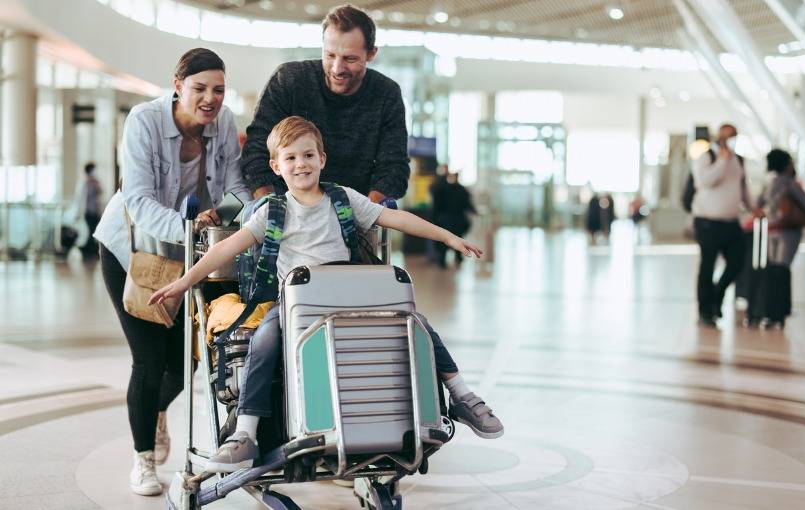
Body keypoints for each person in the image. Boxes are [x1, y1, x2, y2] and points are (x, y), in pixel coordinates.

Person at [149, 116, 504, 473]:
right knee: (265, 339)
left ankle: (461, 395)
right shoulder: (272, 211)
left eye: (308, 156)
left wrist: (447, 237)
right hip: (294, 304)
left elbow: (396, 219)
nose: (300, 164)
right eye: (290, 158)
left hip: (347, 297)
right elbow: (223, 252)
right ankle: (246, 433)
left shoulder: (342, 199)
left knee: (417, 324)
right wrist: (184, 281)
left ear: (322, 158)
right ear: (276, 166)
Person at [93, 48, 252, 496]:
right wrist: (190, 228)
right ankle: (143, 460)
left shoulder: (223, 123)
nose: (210, 99)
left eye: (218, 90)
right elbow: (139, 201)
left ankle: (155, 411)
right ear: (177, 84)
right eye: (200, 88)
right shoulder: (144, 121)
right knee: (148, 359)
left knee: (187, 362)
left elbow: (235, 185)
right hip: (133, 251)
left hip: (186, 257)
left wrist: (256, 214)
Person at [240, 4, 409, 203]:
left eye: (350, 58)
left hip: (355, 212)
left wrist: (363, 216)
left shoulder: (386, 94)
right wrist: (273, 209)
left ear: (371, 54)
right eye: (330, 55)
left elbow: (394, 168)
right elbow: (256, 151)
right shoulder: (289, 80)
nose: (337, 68)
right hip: (286, 210)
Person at [755, 149, 805, 328]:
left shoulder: (769, 183)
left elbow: (759, 204)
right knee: (782, 270)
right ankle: (780, 313)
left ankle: (769, 312)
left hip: (772, 230)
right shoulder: (789, 184)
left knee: (774, 269)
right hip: (788, 231)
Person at [691, 123, 753, 327]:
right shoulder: (706, 157)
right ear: (719, 137)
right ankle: (705, 311)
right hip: (707, 222)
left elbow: (742, 187)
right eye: (727, 136)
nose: (730, 140)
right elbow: (704, 182)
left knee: (737, 262)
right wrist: (722, 162)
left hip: (730, 222)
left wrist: (753, 208)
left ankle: (717, 295)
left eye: (734, 136)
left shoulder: (738, 159)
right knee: (707, 266)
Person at [431, 169, 476, 268]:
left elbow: (436, 204)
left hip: (448, 219)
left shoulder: (444, 188)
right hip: (453, 219)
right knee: (453, 238)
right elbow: (467, 203)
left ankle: (446, 260)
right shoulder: (454, 189)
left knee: (445, 239)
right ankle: (451, 258)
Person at [78, 162, 102, 258]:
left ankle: (88, 250)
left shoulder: (95, 182)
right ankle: (87, 250)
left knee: (93, 231)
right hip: (88, 212)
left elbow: (100, 192)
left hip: (95, 211)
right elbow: (82, 199)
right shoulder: (85, 182)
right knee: (91, 231)